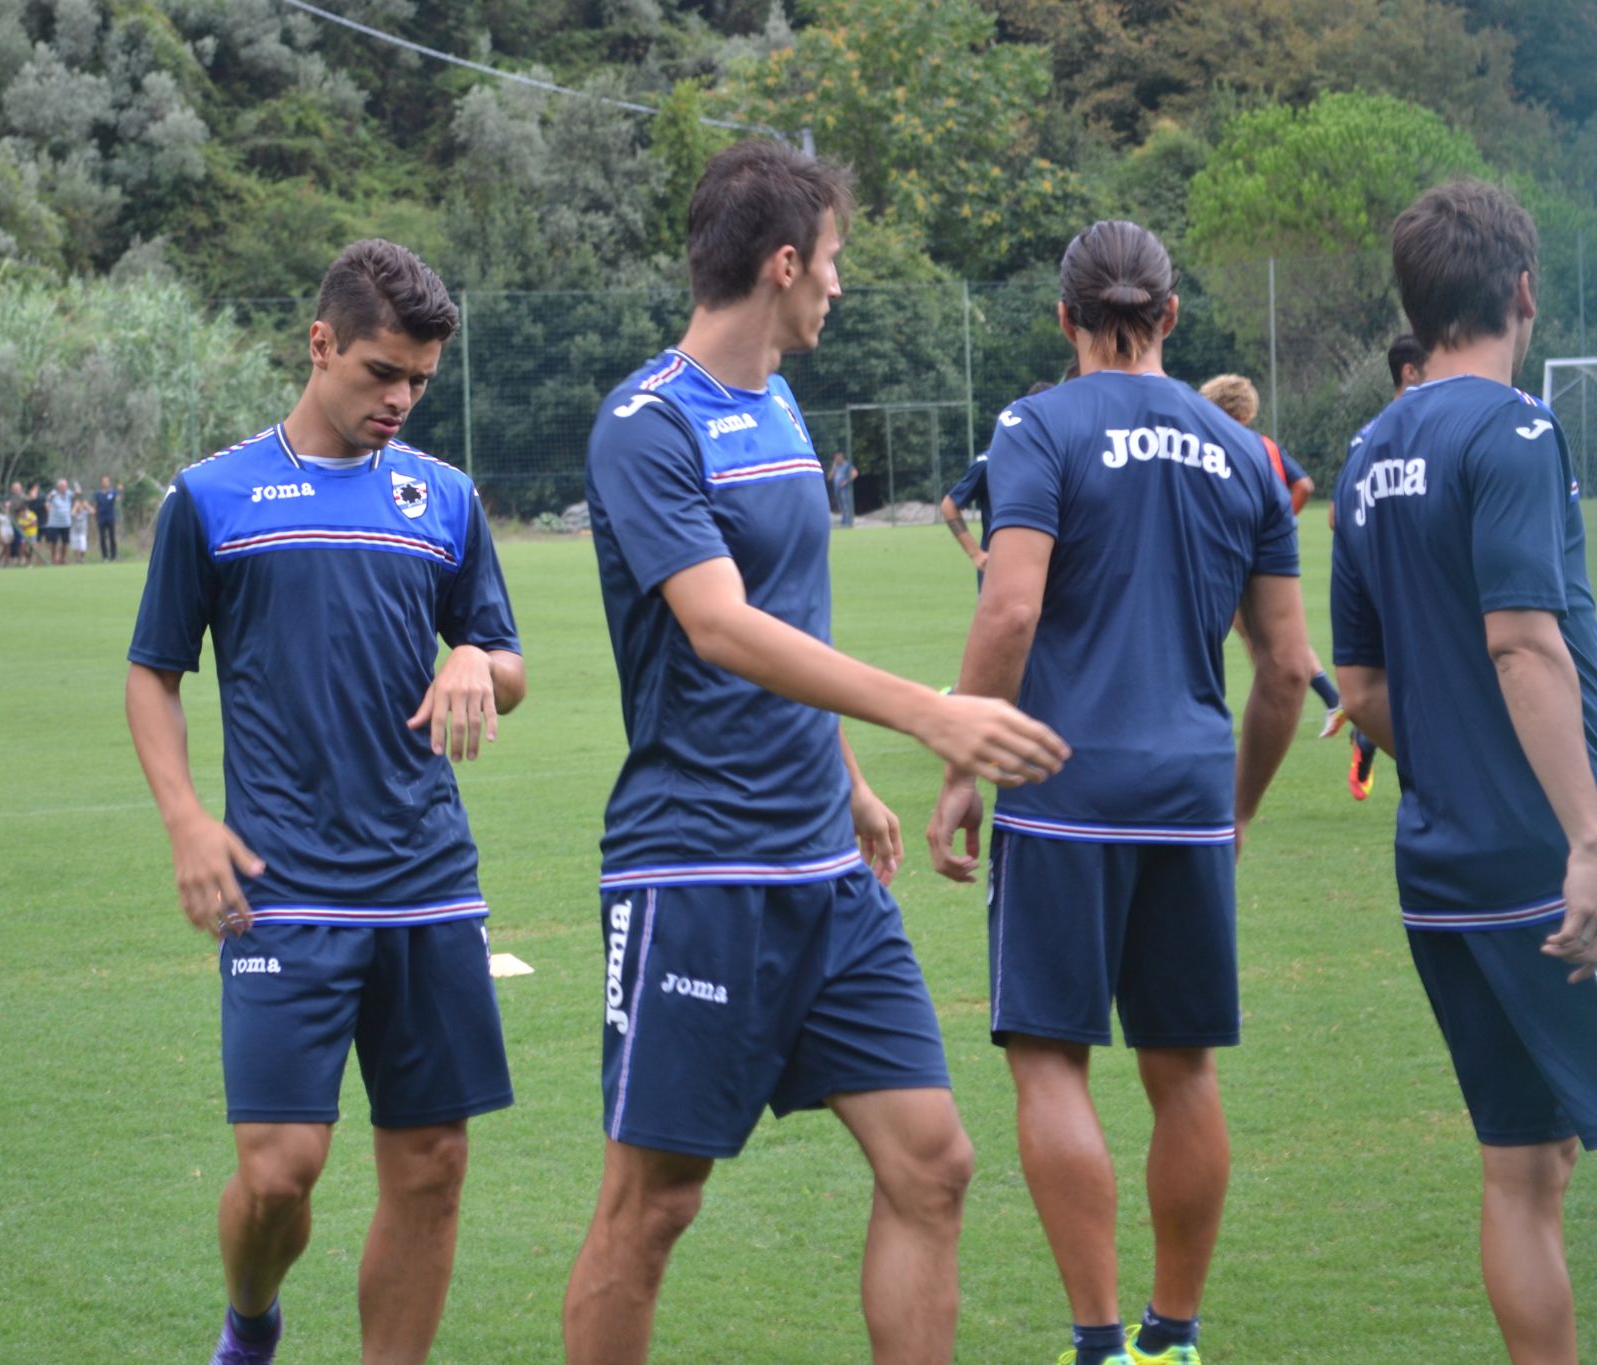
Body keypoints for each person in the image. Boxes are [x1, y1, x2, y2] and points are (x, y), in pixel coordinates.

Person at [566, 140, 1068, 1365]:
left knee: (933, 1165)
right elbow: (720, 626)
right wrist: (923, 712)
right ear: (782, 264)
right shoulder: (646, 425)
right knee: (653, 1206)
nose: (838, 285)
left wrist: (843, 780)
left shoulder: (779, 400)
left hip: (821, 873)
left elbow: (790, 613)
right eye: (832, 261)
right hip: (697, 870)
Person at [126, 239, 525, 1365]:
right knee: (278, 1170)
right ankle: (251, 1324)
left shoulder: (443, 498)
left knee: (432, 1163)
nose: (397, 399)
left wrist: (473, 665)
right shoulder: (210, 498)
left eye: (417, 382)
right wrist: (186, 821)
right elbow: (151, 673)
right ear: (319, 344)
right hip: (281, 885)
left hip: (426, 883)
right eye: (378, 373)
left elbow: (503, 660)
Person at [925, 220, 1310, 1365]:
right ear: (1171, 317)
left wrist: (959, 769)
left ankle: (1098, 1346)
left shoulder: (1033, 426)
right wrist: (1236, 804)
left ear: (1062, 319)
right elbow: (1286, 668)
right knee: (1179, 1067)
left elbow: (1006, 608)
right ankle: (1171, 1339)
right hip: (1189, 789)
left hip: (1060, 788)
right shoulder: (1245, 451)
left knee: (1049, 1056)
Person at [1331, 178, 1597, 1365]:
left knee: (1521, 1163)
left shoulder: (1363, 454)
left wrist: (1447, 772)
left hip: (1439, 868)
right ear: (1520, 290)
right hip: (1549, 860)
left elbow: (1364, 692)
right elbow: (1521, 639)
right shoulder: (1514, 430)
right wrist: (1583, 837)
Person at [1198, 373, 1349, 738]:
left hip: (1232, 550)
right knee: (1263, 634)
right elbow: (1303, 485)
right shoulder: (1263, 444)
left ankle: (1212, 708)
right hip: (1267, 553)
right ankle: (1325, 698)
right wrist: (1280, 524)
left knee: (1219, 626)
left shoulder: (1217, 446)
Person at [1337, 333, 1429, 800]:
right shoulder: (1392, 434)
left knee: (1392, 678)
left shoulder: (1368, 434)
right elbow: (1339, 512)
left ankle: (1369, 739)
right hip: (1404, 579)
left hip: (1377, 579)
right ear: (1409, 372)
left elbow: (1339, 515)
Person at [941, 381, 1055, 588]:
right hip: (1001, 573)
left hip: (1050, 568)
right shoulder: (990, 463)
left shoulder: (1059, 460)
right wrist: (976, 554)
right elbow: (950, 505)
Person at [45, 478, 73, 565]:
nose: (63, 488)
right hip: (54, 523)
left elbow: (78, 495)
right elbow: (47, 502)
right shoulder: (54, 493)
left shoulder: (69, 493)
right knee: (54, 543)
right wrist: (49, 510)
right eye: (61, 486)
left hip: (66, 523)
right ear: (58, 487)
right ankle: (53, 559)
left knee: (65, 542)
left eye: (65, 486)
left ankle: (63, 559)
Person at [96, 474, 121, 561]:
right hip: (101, 518)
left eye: (107, 481)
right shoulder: (98, 494)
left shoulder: (113, 492)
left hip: (110, 518)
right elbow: (96, 505)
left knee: (112, 537)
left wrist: (120, 490)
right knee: (102, 538)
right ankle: (105, 557)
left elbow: (118, 499)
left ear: (109, 483)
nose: (105, 483)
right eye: (104, 482)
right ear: (101, 483)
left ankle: (113, 556)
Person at [829, 449, 856, 528]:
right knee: (840, 506)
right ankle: (844, 521)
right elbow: (830, 477)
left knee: (846, 505)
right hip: (837, 489)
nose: (837, 458)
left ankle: (848, 522)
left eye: (838, 457)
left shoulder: (847, 465)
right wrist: (833, 466)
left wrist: (846, 481)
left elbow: (855, 473)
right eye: (835, 457)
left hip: (845, 489)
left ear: (841, 456)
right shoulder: (835, 466)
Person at [69, 491, 90, 565]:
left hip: (82, 533)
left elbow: (93, 511)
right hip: (74, 532)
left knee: (83, 546)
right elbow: (72, 514)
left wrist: (87, 506)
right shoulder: (73, 512)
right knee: (75, 547)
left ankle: (82, 558)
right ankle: (77, 560)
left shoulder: (84, 512)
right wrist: (75, 507)